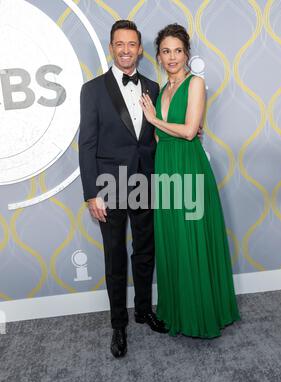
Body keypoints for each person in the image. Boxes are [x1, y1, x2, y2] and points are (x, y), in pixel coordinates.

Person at [140, 24, 240, 338]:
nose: (172, 57)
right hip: (166, 165)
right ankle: (179, 311)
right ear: (158, 55)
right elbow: (159, 137)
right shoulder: (160, 89)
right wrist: (159, 125)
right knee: (173, 239)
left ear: (187, 54)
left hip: (189, 165)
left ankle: (203, 313)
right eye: (166, 51)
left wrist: (154, 118)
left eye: (178, 50)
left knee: (192, 236)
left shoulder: (196, 83)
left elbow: (187, 131)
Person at [79, 20, 167, 359]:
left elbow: (155, 135)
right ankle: (119, 324)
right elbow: (86, 144)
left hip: (145, 180)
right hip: (108, 185)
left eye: (132, 44)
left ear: (140, 49)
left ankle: (143, 310)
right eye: (120, 44)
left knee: (145, 251)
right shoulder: (93, 90)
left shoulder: (153, 87)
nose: (126, 50)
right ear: (112, 48)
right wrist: (91, 193)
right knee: (114, 256)